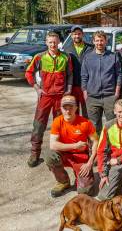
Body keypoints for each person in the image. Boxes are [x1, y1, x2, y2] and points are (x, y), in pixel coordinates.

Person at [25, 31, 73, 167]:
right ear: (46, 43)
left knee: (61, 126)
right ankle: (35, 153)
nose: (53, 44)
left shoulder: (66, 57)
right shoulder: (39, 57)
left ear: (59, 43)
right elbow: (28, 73)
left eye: (55, 42)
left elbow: (70, 74)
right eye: (50, 42)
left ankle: (60, 153)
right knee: (39, 124)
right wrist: (36, 87)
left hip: (60, 97)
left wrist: (68, 89)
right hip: (45, 96)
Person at [45, 95, 98, 197]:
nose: (68, 111)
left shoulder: (86, 123)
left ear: (76, 108)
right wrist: (75, 145)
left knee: (86, 192)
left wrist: (90, 162)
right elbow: (53, 145)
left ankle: (80, 177)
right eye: (65, 108)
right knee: (49, 155)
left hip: (80, 157)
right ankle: (63, 181)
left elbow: (96, 141)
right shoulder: (57, 121)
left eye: (71, 108)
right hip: (64, 154)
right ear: (61, 108)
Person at [81, 30, 122, 135]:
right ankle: (96, 149)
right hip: (92, 97)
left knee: (112, 124)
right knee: (94, 126)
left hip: (109, 96)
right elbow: (84, 76)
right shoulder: (88, 57)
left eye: (102, 40)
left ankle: (111, 149)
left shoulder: (113, 56)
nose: (100, 43)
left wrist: (116, 92)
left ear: (106, 41)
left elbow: (119, 75)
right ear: (93, 42)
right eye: (97, 40)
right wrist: (85, 93)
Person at [64, 25, 93, 118]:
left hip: (87, 86)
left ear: (82, 35)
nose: (77, 36)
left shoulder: (91, 48)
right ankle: (75, 130)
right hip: (73, 86)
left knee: (87, 111)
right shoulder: (67, 49)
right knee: (73, 110)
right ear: (71, 35)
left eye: (79, 34)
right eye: (75, 34)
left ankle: (86, 130)